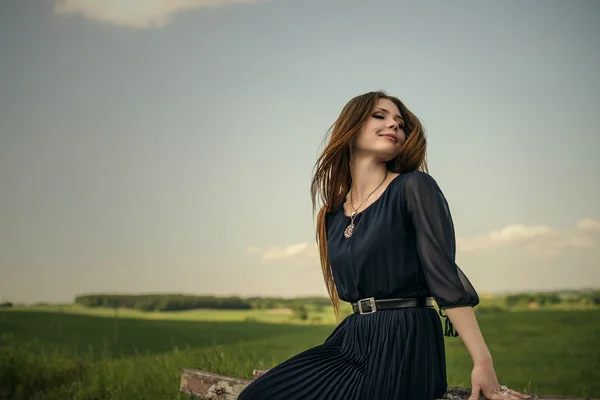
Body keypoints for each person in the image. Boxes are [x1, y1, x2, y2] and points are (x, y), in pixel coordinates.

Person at [237, 91, 531, 400]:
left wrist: (482, 361)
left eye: (400, 123)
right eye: (380, 116)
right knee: (257, 395)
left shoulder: (415, 187)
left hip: (407, 337)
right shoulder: (331, 214)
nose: (394, 125)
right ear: (350, 129)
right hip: (352, 339)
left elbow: (443, 274)